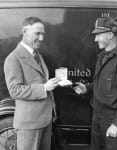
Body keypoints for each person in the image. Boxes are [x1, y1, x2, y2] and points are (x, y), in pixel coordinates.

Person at [74, 18, 117, 150]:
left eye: (98, 35)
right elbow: (100, 83)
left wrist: (116, 124)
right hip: (97, 117)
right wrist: (87, 88)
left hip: (112, 120)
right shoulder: (101, 56)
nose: (95, 39)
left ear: (110, 35)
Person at [4, 17, 61, 150]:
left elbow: (38, 80)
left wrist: (54, 82)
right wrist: (44, 88)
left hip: (45, 120)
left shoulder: (37, 54)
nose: (41, 38)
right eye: (37, 33)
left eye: (43, 34)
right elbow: (14, 90)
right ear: (24, 31)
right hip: (29, 123)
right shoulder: (13, 59)